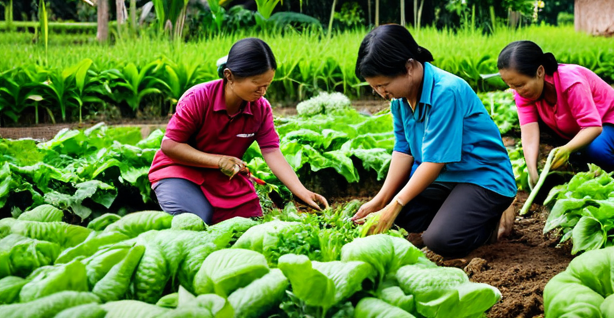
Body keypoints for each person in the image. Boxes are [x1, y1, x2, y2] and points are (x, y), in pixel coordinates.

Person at [351, 25, 517, 257]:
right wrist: (381, 201)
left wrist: (394, 205)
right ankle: (456, 210)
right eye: (374, 87)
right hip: (443, 180)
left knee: (440, 240)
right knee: (398, 221)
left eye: (383, 85)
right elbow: (403, 150)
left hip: (481, 177)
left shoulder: (446, 91)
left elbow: (434, 162)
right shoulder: (399, 100)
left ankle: (492, 219)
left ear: (408, 67)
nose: (380, 93)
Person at [149, 38, 328, 224]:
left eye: (267, 85)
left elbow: (271, 151)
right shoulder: (198, 98)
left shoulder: (260, 108)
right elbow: (170, 145)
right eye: (257, 84)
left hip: (222, 176)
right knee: (196, 221)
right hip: (179, 170)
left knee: (248, 220)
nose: (263, 92)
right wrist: (218, 161)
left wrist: (302, 192)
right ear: (229, 76)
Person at [497, 40, 614, 187]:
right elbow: (529, 132)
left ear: (540, 71)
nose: (517, 91)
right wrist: (532, 170)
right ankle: (583, 161)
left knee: (595, 150)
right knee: (553, 156)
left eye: (520, 85)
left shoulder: (570, 82)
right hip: (580, 134)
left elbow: (594, 127)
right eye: (511, 86)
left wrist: (567, 149)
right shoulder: (523, 93)